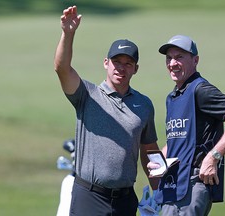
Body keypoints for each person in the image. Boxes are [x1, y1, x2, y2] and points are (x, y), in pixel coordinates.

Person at [54, 6, 159, 216]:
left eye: (128, 63)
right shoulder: (87, 94)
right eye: (116, 62)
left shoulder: (144, 105)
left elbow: (149, 152)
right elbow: (62, 68)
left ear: (135, 69)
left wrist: (159, 192)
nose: (121, 68)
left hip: (125, 199)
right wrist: (68, 33)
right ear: (106, 63)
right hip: (89, 196)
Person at [148, 35, 225, 216]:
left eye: (179, 57)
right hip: (173, 183)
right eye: (169, 58)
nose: (172, 63)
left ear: (195, 60)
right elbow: (180, 137)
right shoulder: (173, 96)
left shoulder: (201, 90)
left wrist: (213, 157)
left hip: (193, 183)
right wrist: (159, 160)